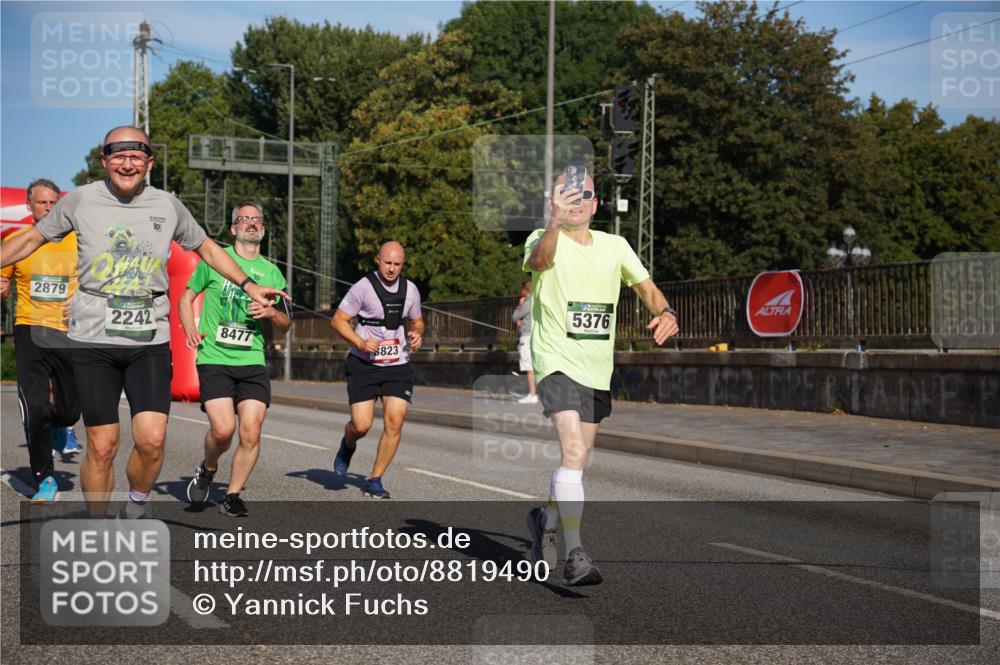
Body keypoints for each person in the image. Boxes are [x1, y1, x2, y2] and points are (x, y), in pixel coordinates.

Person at [0, 127, 289, 518]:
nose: (127, 163)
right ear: (104, 160)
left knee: (152, 442)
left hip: (149, 338)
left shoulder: (167, 205)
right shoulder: (81, 200)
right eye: (118, 155)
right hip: (93, 339)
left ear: (149, 163)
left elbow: (206, 248)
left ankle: (135, 502)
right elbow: (30, 239)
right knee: (102, 445)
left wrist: (249, 284)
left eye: (136, 156)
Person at [523, 168, 678, 586]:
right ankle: (575, 555)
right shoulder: (541, 238)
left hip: (596, 368)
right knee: (574, 451)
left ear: (595, 204)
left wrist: (666, 311)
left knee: (578, 459)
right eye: (567, 195)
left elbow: (645, 287)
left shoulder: (615, 245)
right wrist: (553, 224)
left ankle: (545, 521)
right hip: (555, 361)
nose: (576, 202)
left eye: (583, 196)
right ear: (555, 201)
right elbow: (540, 262)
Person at [179, 200, 290, 517]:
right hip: (215, 357)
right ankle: (208, 467)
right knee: (224, 430)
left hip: (252, 359)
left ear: (263, 228)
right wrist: (189, 328)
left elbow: (286, 324)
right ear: (233, 228)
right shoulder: (216, 259)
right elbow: (186, 297)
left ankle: (232, 494)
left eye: (257, 219)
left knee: (251, 431)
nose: (252, 223)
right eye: (244, 219)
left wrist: (271, 313)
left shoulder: (271, 272)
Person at [0, 179, 82, 503]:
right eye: (42, 203)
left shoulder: (79, 240)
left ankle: (61, 425)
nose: (49, 209)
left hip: (69, 332)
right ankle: (45, 477)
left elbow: (97, 279)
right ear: (29, 206)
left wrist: (83, 298)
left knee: (70, 411)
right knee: (34, 408)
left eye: (53, 203)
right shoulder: (16, 241)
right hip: (30, 329)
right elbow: (2, 280)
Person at [329, 241, 424, 499]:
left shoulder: (410, 290)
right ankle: (348, 443)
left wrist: (417, 333)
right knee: (361, 425)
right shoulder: (363, 287)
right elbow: (338, 321)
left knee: (395, 421)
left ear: (403, 264)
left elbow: (417, 320)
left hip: (397, 364)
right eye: (387, 263)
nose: (392, 269)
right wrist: (360, 342)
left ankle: (375, 479)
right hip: (364, 365)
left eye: (397, 264)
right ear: (378, 260)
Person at [512, 279, 538, 403]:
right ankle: (535, 393)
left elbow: (515, 316)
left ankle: (532, 394)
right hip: (535, 335)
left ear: (525, 290)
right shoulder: (537, 300)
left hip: (527, 336)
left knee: (529, 366)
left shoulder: (528, 302)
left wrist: (520, 304)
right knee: (535, 365)